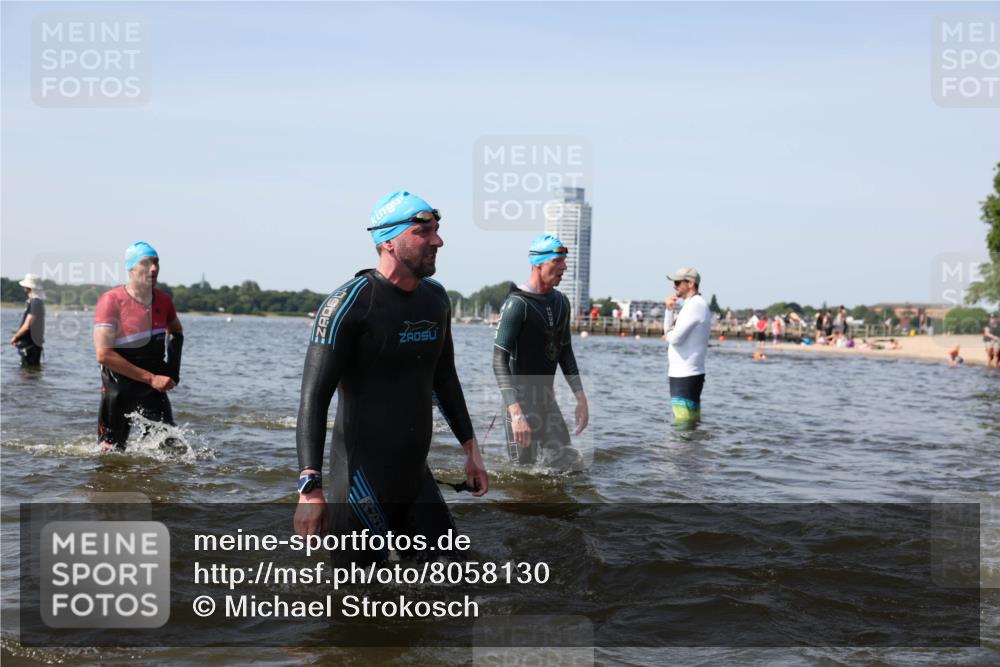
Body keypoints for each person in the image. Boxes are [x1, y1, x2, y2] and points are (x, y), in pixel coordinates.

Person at [294, 191, 488, 562]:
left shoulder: (436, 299)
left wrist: (471, 451)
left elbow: (445, 379)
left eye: (437, 230)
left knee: (457, 579)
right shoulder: (348, 305)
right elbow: (313, 400)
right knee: (357, 593)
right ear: (388, 241)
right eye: (423, 232)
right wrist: (309, 488)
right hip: (360, 483)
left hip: (415, 478)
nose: (437, 241)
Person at [493, 234, 589, 471]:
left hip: (547, 403)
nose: (564, 267)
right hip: (520, 405)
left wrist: (580, 398)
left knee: (570, 467)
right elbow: (499, 361)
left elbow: (565, 352)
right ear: (538, 264)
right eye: (557, 261)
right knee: (523, 477)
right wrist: (515, 412)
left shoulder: (562, 302)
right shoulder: (517, 304)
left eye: (564, 261)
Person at [93, 242, 184, 452]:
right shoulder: (111, 300)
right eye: (146, 263)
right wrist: (152, 378)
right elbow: (103, 355)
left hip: (152, 390)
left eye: (156, 262)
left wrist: (173, 371)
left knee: (171, 449)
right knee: (110, 456)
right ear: (131, 268)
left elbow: (176, 332)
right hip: (118, 390)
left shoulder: (164, 300)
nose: (153, 268)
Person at [663, 268, 712, 426]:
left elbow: (674, 338)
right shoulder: (691, 305)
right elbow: (669, 333)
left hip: (686, 374)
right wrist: (669, 310)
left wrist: (671, 332)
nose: (674, 286)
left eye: (678, 282)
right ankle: (694, 443)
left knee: (684, 426)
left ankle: (689, 443)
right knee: (687, 424)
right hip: (682, 373)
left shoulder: (695, 305)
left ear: (690, 283)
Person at [10, 273, 46, 367]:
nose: (23, 287)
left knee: (27, 373)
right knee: (32, 373)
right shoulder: (36, 302)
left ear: (29, 287)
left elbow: (27, 325)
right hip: (32, 346)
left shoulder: (35, 302)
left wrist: (15, 337)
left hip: (30, 347)